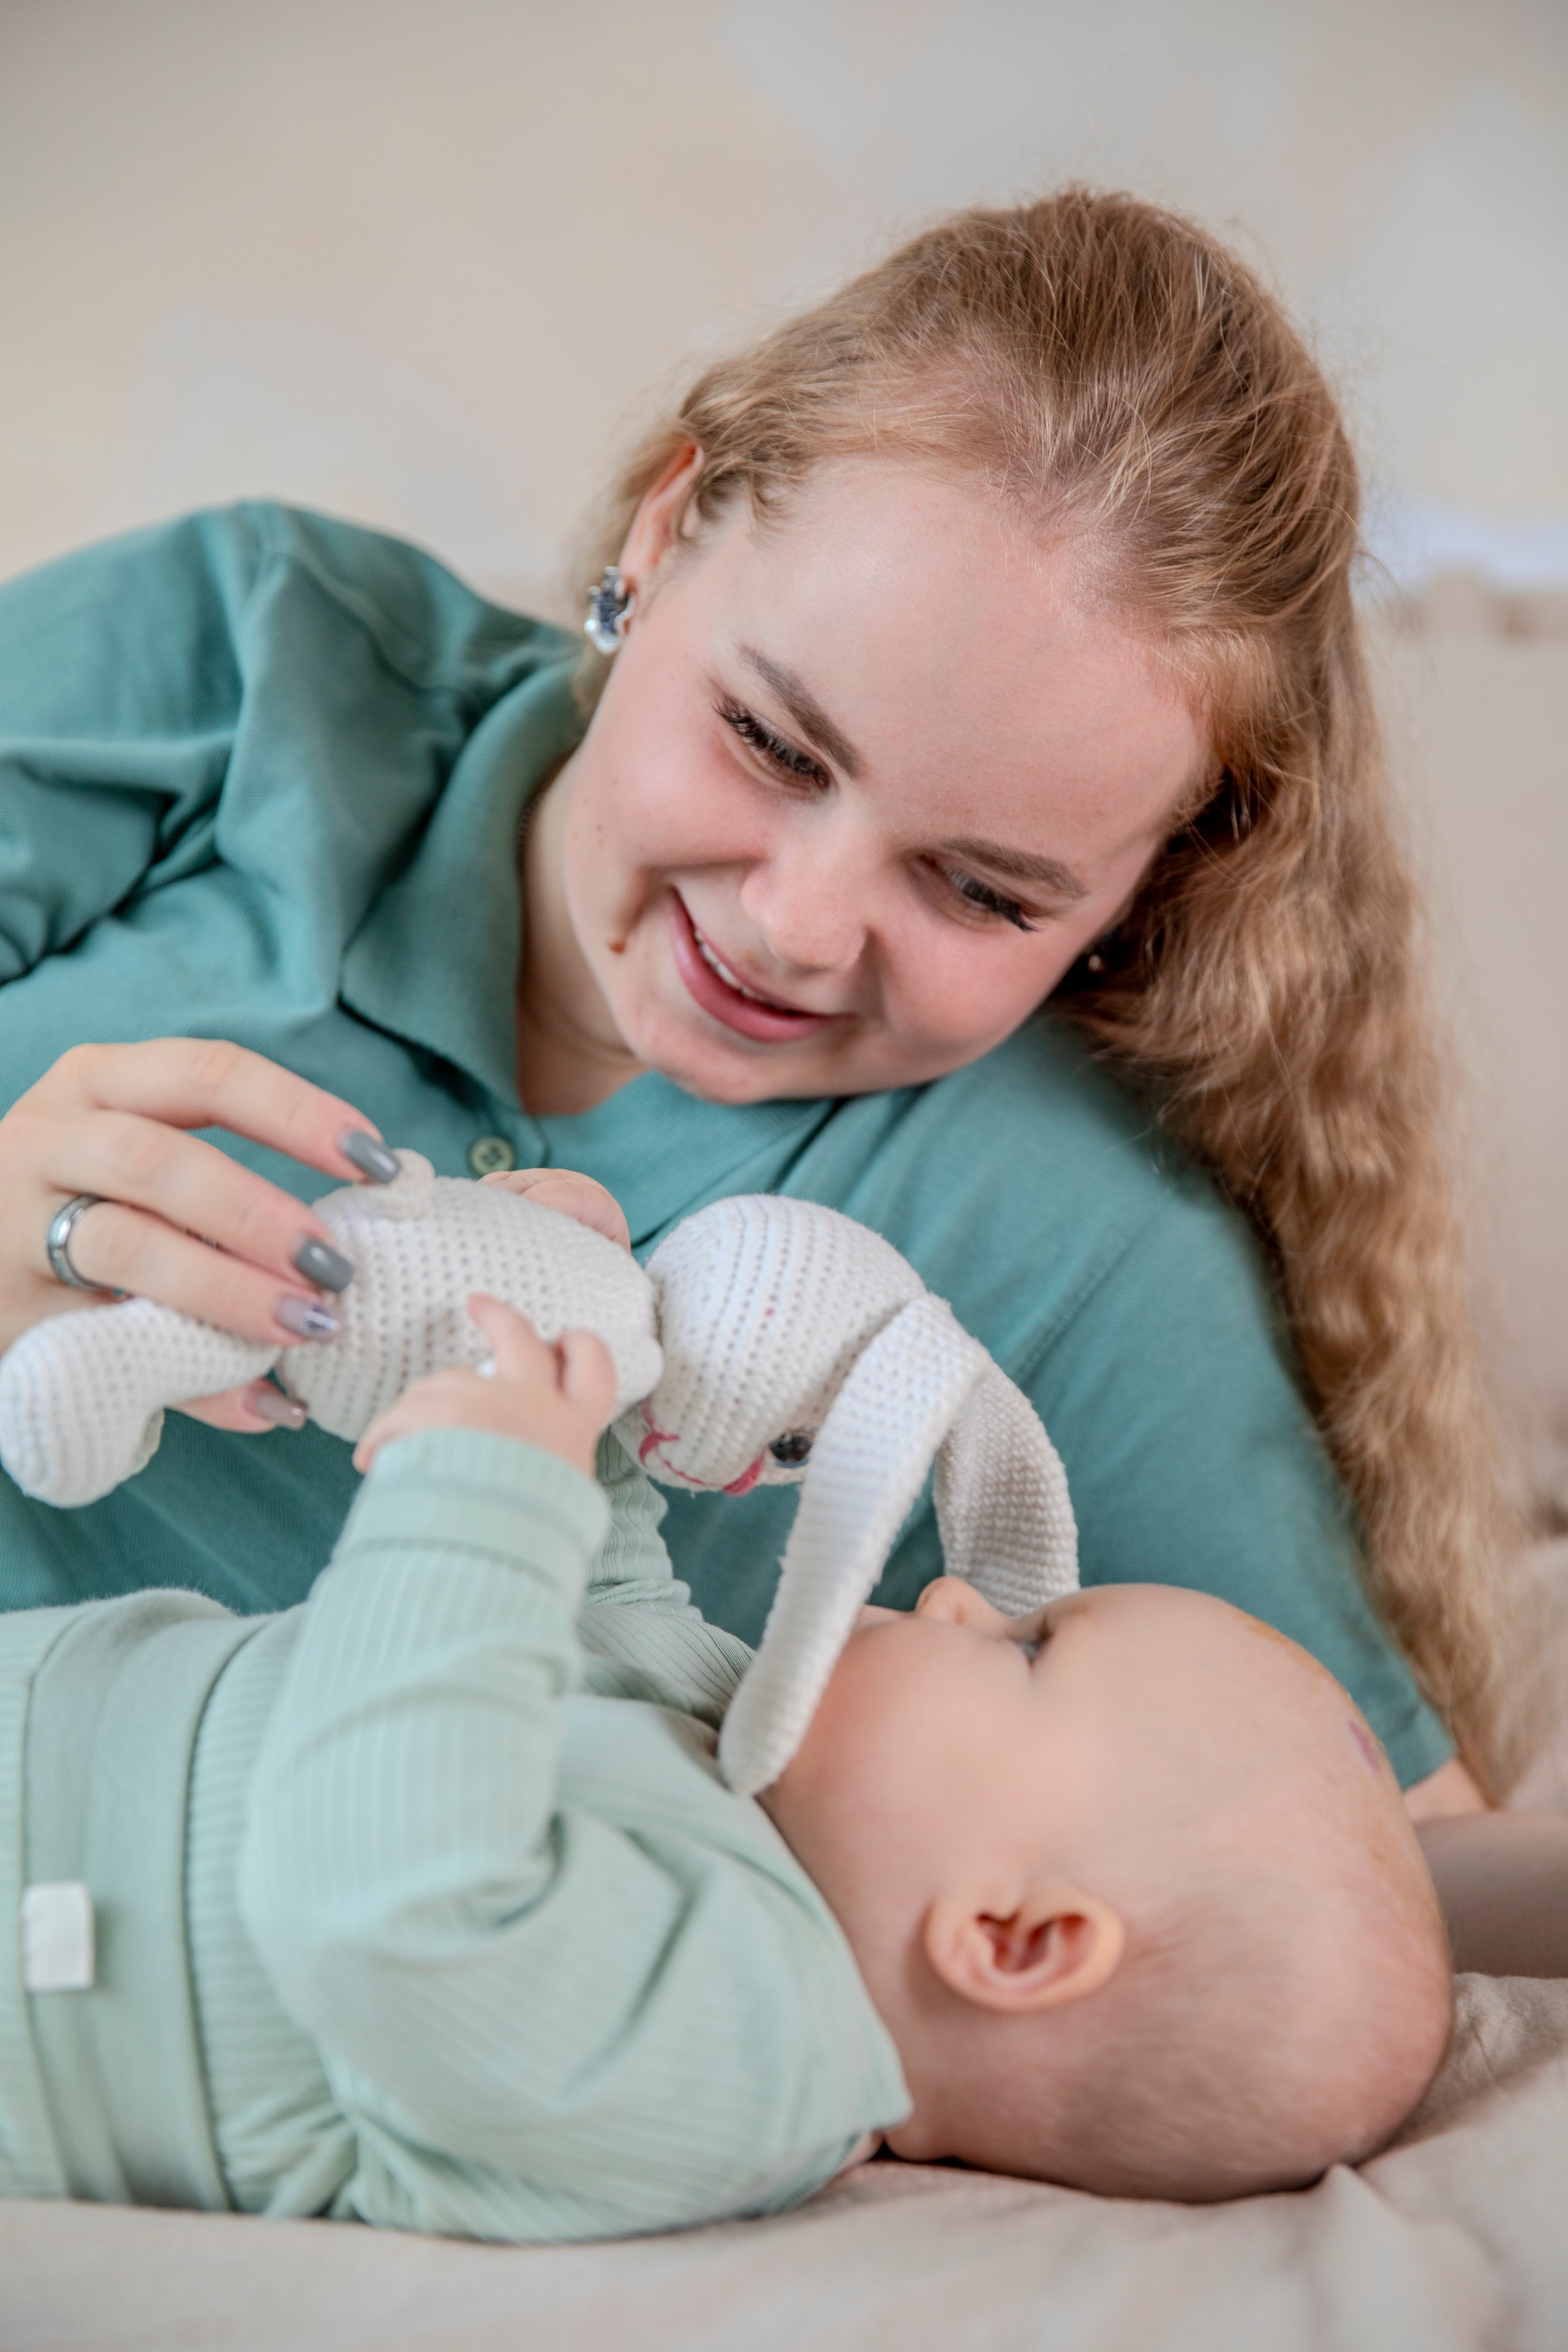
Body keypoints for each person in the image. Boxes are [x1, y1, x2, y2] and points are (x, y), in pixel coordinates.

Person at [0, 190, 1523, 1841]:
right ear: (668, 532)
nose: (795, 928)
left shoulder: (1073, 1247)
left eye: (983, 890)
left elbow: (1382, 1867)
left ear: (1146, 893)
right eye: (775, 745)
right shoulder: (239, 665)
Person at [1, 1279, 1452, 2234]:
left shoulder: (750, 2063)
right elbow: (610, 1606)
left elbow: (387, 1900)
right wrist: (588, 1389)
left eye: (1026, 1647)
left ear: (1009, 1939)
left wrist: (489, 1498)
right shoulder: (740, 1762)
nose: (957, 1594)